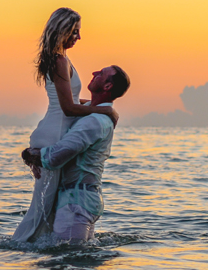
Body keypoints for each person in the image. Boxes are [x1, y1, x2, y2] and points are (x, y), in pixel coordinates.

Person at [10, 8, 118, 245]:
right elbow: (68, 108)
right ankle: (22, 244)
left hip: (55, 128)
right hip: (56, 132)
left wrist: (96, 105)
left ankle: (41, 244)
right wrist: (104, 110)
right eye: (76, 31)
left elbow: (72, 99)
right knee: (43, 204)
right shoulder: (59, 61)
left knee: (48, 204)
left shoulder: (60, 59)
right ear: (63, 29)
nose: (78, 37)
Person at [21, 65, 131, 243]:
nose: (94, 72)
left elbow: (57, 156)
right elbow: (70, 103)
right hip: (79, 198)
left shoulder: (94, 122)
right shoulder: (93, 112)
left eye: (101, 74)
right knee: (71, 261)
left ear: (108, 86)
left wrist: (29, 154)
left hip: (76, 202)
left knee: (71, 259)